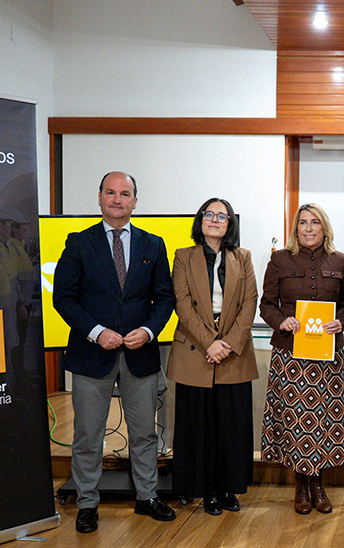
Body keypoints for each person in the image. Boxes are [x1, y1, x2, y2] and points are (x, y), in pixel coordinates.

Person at [53, 171, 176, 533]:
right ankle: (88, 503)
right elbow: (64, 298)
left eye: (125, 194)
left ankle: (147, 497)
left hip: (140, 355)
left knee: (144, 434)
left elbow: (164, 297)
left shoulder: (153, 245)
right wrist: (96, 332)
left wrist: (151, 330)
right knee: (88, 435)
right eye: (111, 192)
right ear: (100, 197)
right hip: (92, 355)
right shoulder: (78, 243)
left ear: (135, 201)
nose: (117, 199)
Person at [259, 203, 344, 515]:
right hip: (290, 355)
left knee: (322, 423)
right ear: (295, 228)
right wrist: (281, 321)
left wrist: (341, 321)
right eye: (303, 223)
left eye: (315, 223)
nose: (309, 228)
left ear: (324, 227)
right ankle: (301, 486)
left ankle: (318, 484)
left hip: (327, 356)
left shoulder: (340, 260)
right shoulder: (279, 259)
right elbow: (266, 304)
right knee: (296, 422)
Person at [165, 197, 258, 516]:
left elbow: (250, 303)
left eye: (222, 216)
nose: (215, 219)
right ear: (200, 220)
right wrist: (210, 343)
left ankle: (228, 489)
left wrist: (228, 343)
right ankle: (205, 492)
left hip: (234, 352)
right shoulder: (183, 256)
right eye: (209, 214)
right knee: (199, 426)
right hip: (196, 351)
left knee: (232, 426)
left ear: (230, 223)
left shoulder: (242, 257)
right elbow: (182, 303)